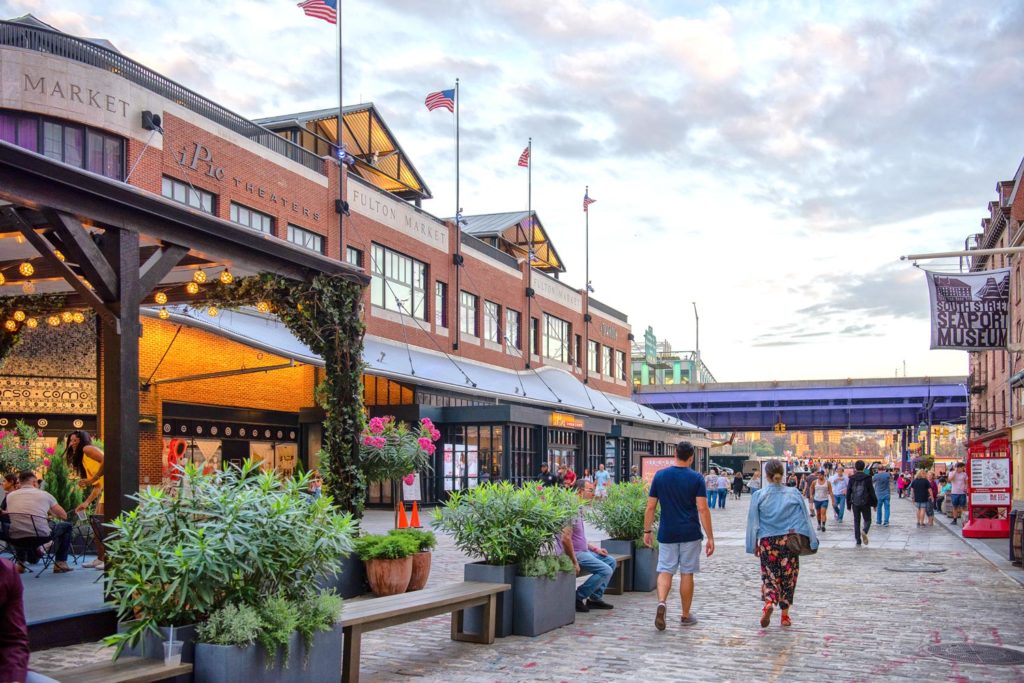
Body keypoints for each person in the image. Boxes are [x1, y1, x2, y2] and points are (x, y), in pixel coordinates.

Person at [644, 441, 714, 630]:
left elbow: (651, 506)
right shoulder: (696, 478)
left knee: (665, 569)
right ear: (691, 457)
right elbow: (702, 508)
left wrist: (647, 530)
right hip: (690, 532)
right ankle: (684, 615)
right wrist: (710, 537)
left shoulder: (660, 476)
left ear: (675, 454)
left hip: (667, 532)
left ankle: (661, 602)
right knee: (686, 573)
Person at [745, 460, 818, 628]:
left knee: (769, 575)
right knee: (788, 576)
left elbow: (753, 522)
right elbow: (804, 518)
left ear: (766, 475)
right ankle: (785, 616)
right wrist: (811, 540)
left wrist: (753, 544)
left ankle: (769, 603)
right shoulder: (793, 493)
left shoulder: (759, 495)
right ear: (783, 474)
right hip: (789, 540)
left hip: (767, 541)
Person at [2, 471, 73, 574]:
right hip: (41, 537)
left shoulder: (10, 496)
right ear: (35, 482)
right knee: (67, 526)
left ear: (20, 482)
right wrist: (49, 511)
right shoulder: (45, 495)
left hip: (16, 538)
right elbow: (63, 515)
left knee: (18, 526)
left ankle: (20, 563)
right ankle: (60, 562)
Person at [65, 430, 106, 570]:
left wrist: (92, 479)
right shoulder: (84, 458)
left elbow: (106, 460)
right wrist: (86, 502)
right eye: (71, 440)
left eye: (75, 440)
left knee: (101, 526)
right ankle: (100, 558)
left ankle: (107, 559)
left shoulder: (87, 449)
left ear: (82, 440)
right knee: (97, 526)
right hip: (106, 490)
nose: (72, 443)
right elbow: (98, 486)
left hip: (114, 488)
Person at [562, 509, 615, 612]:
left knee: (611, 561)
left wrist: (596, 549)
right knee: (605, 570)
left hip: (585, 551)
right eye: (590, 491)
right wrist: (574, 561)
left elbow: (579, 538)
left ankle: (595, 598)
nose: (593, 494)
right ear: (580, 492)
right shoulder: (570, 512)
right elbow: (565, 538)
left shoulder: (578, 511)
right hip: (576, 554)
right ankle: (577, 597)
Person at [846, 460, 877, 547]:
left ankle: (858, 540)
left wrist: (848, 504)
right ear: (864, 467)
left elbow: (849, 492)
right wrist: (875, 504)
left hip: (855, 503)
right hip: (865, 502)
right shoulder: (867, 478)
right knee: (868, 520)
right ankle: (865, 530)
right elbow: (871, 491)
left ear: (855, 467)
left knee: (856, 521)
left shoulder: (852, 478)